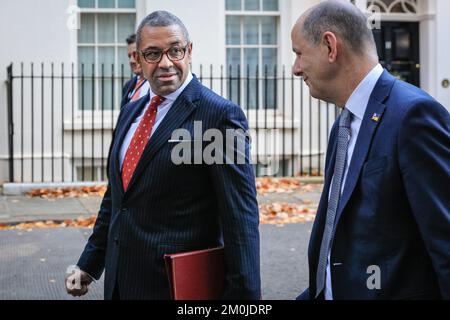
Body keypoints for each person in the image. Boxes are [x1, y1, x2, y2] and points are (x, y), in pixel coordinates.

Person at [66, 11, 261, 300]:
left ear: (189, 51)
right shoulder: (131, 111)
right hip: (120, 284)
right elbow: (118, 199)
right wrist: (90, 264)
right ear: (139, 59)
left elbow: (240, 219)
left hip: (176, 287)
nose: (166, 63)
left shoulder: (219, 116)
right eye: (153, 54)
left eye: (175, 50)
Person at [291, 0, 450, 300]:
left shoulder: (413, 116)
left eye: (299, 53)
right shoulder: (342, 125)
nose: (295, 69)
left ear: (329, 46)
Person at [121, 33, 150, 108]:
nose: (131, 61)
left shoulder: (158, 83)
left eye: (135, 55)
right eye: (129, 56)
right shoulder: (128, 85)